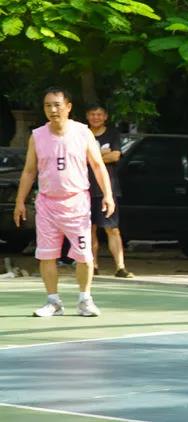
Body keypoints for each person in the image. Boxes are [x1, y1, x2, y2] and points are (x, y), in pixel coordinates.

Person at [13, 87, 115, 317]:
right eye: (48, 105)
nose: (53, 110)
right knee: (47, 255)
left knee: (84, 255)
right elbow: (29, 171)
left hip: (76, 203)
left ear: (68, 107)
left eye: (57, 105)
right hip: (47, 204)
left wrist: (108, 195)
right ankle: (53, 301)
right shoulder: (37, 136)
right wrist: (20, 201)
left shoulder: (83, 133)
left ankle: (85, 300)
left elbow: (98, 165)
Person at [85, 104, 134, 278]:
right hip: (84, 189)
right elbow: (79, 158)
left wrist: (92, 156)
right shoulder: (82, 134)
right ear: (87, 116)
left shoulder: (113, 134)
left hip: (107, 190)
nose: (96, 117)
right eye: (92, 114)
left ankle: (120, 267)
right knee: (89, 229)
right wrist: (102, 154)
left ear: (105, 116)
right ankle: (93, 266)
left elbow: (115, 155)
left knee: (112, 229)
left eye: (99, 114)